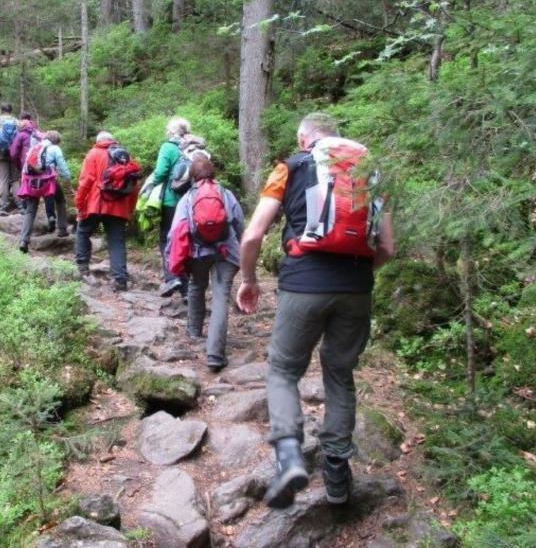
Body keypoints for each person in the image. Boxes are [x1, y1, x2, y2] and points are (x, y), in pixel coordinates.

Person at [235, 113, 395, 509]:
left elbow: (254, 234)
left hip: (303, 283)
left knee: (284, 370)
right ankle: (338, 474)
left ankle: (289, 457)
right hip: (357, 287)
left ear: (304, 138)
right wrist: (358, 275)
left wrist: (249, 279)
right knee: (340, 374)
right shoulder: (373, 172)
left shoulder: (291, 166)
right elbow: (388, 248)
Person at [167, 156, 244, 371]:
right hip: (225, 252)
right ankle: (215, 355)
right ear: (213, 174)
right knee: (220, 298)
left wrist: (172, 260)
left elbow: (176, 232)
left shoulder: (188, 198)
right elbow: (239, 226)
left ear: (192, 177)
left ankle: (193, 331)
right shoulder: (226, 194)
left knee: (196, 286)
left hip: (197, 252)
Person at [75, 131, 139, 292]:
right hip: (119, 206)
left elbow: (85, 182)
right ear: (112, 140)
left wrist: (80, 205)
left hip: (96, 203)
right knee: (116, 241)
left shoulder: (94, 154)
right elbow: (133, 186)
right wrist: (130, 208)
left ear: (98, 141)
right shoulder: (125, 156)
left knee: (83, 232)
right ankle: (120, 279)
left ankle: (83, 269)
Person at [147, 116, 193, 298]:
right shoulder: (194, 147)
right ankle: (188, 290)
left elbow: (160, 173)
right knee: (189, 242)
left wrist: (148, 189)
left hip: (172, 201)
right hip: (193, 201)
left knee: (168, 239)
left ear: (171, 131)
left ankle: (172, 278)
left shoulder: (168, 147)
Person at [19, 130, 71, 253]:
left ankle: (23, 240)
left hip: (32, 183)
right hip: (48, 182)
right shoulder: (54, 149)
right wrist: (68, 179)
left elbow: (25, 168)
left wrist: (23, 182)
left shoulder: (34, 147)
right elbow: (63, 167)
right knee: (60, 200)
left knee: (30, 211)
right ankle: (62, 229)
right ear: (56, 140)